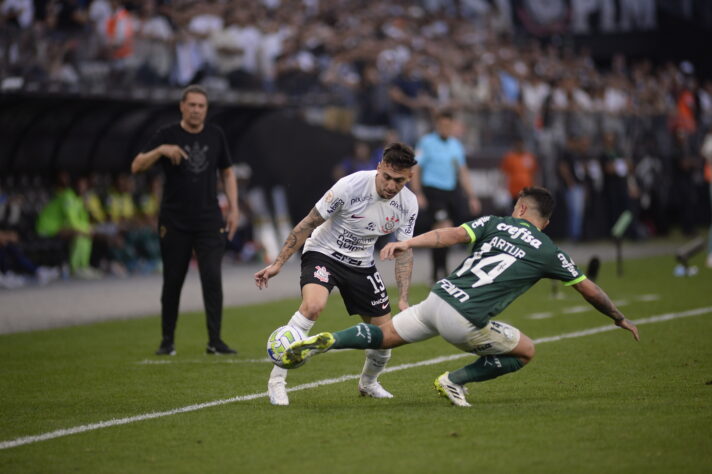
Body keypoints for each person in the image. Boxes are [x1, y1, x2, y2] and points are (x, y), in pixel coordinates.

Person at [282, 187, 640, 407]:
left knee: (384, 335)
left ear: (519, 208)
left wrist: (408, 241)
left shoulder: (496, 222)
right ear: (544, 222)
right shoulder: (549, 250)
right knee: (527, 350)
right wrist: (618, 317)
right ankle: (455, 381)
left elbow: (449, 235)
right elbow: (587, 287)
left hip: (437, 299)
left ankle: (326, 341)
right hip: (465, 321)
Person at [254, 143, 419, 406]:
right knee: (313, 306)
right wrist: (278, 263)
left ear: (409, 177)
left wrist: (403, 299)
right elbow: (309, 222)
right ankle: (276, 382)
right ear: (379, 168)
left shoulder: (409, 204)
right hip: (323, 253)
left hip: (362, 264)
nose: (390, 185)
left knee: (386, 336)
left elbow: (405, 252)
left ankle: (368, 384)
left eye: (398, 180)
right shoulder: (349, 186)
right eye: (386, 177)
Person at [131, 84, 239, 356]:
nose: (196, 110)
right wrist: (161, 150)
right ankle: (167, 341)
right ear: (182, 106)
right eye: (191, 105)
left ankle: (215, 341)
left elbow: (227, 172)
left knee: (212, 277)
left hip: (209, 219)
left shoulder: (215, 135)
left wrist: (234, 208)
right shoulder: (167, 135)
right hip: (175, 220)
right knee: (173, 280)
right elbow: (136, 166)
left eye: (201, 106)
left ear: (206, 109)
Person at [411, 110, 481, 283]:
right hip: (433, 191)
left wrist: (472, 196)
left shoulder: (455, 145)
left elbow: (462, 171)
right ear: (437, 125)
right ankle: (438, 272)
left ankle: (439, 272)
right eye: (442, 125)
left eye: (448, 125)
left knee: (447, 233)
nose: (445, 128)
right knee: (443, 227)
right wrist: (418, 192)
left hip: (451, 192)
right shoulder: (426, 142)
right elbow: (416, 168)